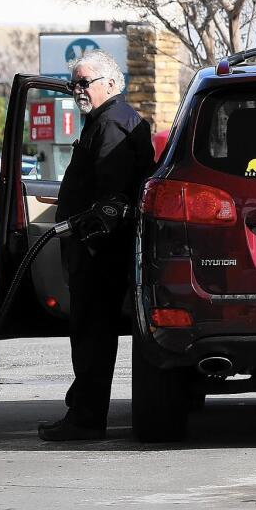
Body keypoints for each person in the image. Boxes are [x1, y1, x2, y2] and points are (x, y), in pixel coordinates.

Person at [38, 50, 154, 441]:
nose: (77, 91)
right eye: (74, 84)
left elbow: (113, 198)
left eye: (82, 83)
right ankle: (84, 412)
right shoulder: (105, 121)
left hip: (100, 253)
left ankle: (86, 418)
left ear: (109, 82)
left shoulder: (114, 125)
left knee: (92, 335)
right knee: (90, 333)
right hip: (96, 250)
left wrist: (87, 237)